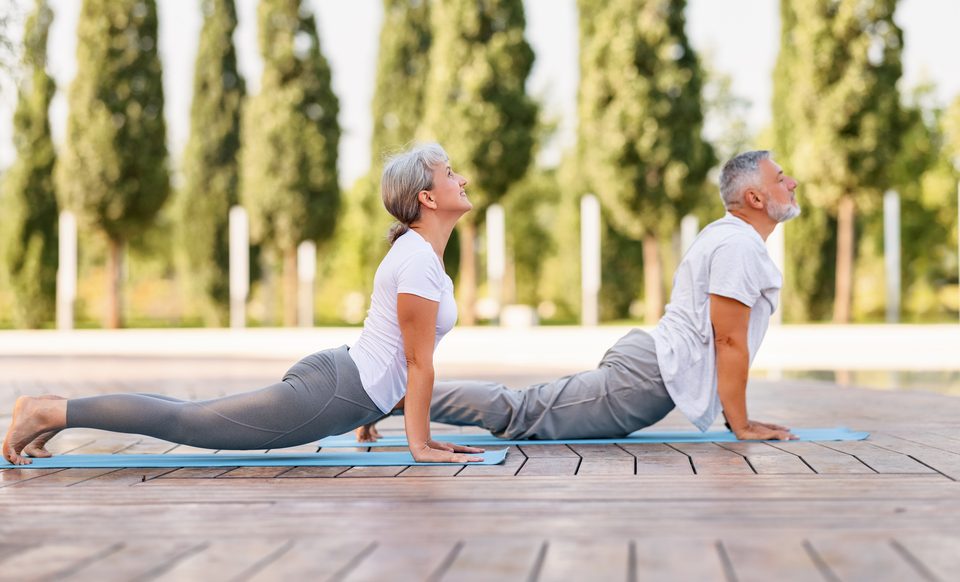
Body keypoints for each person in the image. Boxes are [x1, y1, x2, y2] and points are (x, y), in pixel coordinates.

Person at [2, 143, 485, 465]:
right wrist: (419, 446)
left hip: (345, 387)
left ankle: (52, 410)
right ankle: (48, 413)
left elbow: (400, 354)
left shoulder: (421, 256)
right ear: (427, 196)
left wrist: (367, 417)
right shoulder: (419, 259)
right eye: (449, 174)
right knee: (188, 422)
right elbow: (417, 361)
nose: (460, 178)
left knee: (188, 413)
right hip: (335, 391)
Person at [359, 150, 800, 443]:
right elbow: (728, 341)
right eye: (781, 179)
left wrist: (733, 419)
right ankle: (393, 399)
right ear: (755, 196)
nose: (792, 183)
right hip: (644, 381)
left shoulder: (732, 239)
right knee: (520, 411)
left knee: (523, 407)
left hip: (647, 373)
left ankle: (396, 400)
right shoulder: (738, 245)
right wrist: (740, 425)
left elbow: (723, 340)